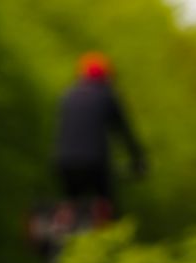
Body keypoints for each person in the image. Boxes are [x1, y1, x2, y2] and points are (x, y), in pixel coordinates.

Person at [53, 51, 146, 230]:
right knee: (105, 203)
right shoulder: (107, 95)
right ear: (107, 75)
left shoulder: (68, 95)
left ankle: (63, 225)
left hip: (64, 161)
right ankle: (105, 240)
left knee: (73, 201)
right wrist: (138, 159)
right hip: (94, 162)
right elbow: (124, 131)